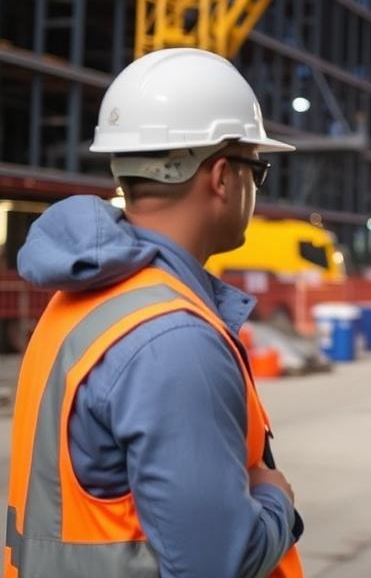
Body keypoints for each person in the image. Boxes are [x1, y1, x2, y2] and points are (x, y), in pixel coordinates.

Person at [4, 48, 304, 577]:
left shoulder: (84, 299)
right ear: (222, 177)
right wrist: (276, 499)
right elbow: (216, 564)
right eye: (256, 170)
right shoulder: (174, 340)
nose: (255, 188)